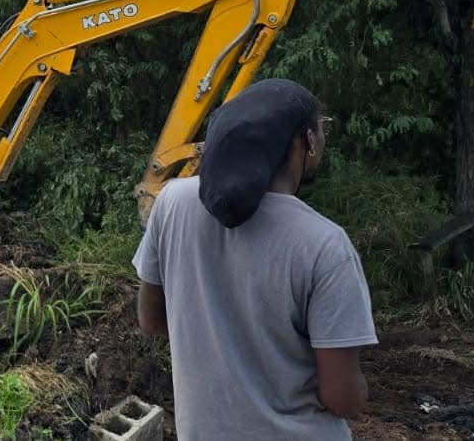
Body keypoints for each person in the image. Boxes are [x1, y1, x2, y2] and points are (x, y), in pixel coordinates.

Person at [133, 79, 376, 440]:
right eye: (322, 130)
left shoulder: (171, 205)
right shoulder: (324, 245)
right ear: (307, 141)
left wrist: (218, 341)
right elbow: (342, 399)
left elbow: (151, 320)